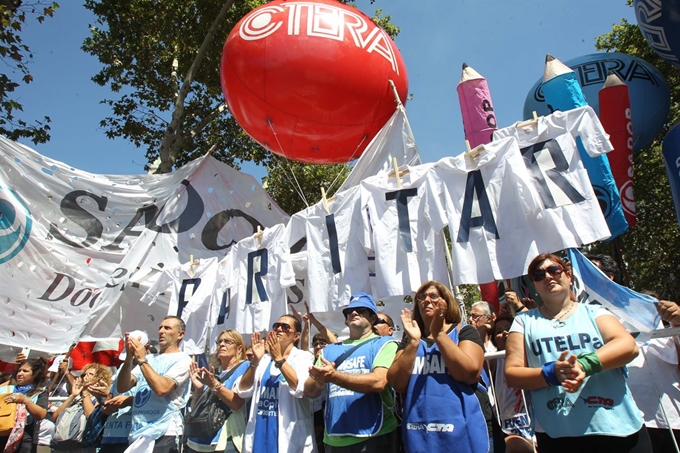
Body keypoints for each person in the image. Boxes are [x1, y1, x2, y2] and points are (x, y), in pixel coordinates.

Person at [504, 253, 652, 452]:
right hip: (559, 434)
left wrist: (583, 365)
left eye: (554, 270)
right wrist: (552, 374)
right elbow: (512, 373)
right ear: (535, 286)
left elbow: (628, 346)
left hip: (618, 429)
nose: (548, 277)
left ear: (568, 276)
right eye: (538, 275)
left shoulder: (595, 312)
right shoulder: (524, 321)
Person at [387, 281, 488, 453]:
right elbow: (397, 382)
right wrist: (412, 343)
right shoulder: (410, 339)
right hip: (420, 433)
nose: (426, 300)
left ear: (446, 302)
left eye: (433, 296)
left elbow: (469, 373)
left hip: (464, 430)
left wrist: (439, 334)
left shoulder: (464, 331)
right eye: (421, 297)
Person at [304, 292, 399, 453]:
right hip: (334, 439)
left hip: (373, 436)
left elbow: (379, 382)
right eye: (349, 311)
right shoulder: (330, 350)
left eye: (361, 310)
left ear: (373, 318)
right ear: (346, 320)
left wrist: (334, 376)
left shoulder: (384, 344)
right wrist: (318, 379)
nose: (354, 313)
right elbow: (310, 391)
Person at [236, 315, 316, 453]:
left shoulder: (304, 357)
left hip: (289, 437)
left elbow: (300, 387)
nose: (279, 329)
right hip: (260, 433)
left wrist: (279, 358)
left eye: (285, 327)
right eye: (276, 326)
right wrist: (255, 361)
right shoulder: (264, 359)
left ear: (296, 336)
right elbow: (243, 389)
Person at [116, 315, 192, 453]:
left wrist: (141, 359)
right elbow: (122, 387)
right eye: (160, 328)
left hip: (164, 432)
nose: (161, 331)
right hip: (139, 432)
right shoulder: (150, 359)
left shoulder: (184, 360)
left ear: (180, 334)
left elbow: (162, 389)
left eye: (167, 328)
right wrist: (128, 359)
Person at [186, 329, 249, 453]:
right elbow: (197, 409)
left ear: (239, 348)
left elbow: (237, 403)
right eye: (219, 341)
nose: (221, 344)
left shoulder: (245, 367)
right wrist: (198, 389)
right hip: (200, 441)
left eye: (227, 341)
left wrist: (214, 385)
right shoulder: (214, 373)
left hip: (225, 440)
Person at [489, 315, 534, 453]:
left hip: (534, 422)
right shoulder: (493, 359)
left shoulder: (530, 354)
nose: (504, 333)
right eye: (498, 331)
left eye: (509, 329)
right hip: (509, 427)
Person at [50, 363, 113, 452]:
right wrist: (72, 395)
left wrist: (85, 392)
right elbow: (55, 417)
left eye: (90, 374)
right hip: (61, 447)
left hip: (82, 447)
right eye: (84, 374)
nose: (85, 377)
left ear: (100, 378)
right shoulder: (76, 397)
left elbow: (91, 417)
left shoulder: (99, 398)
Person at [0, 357, 49, 453]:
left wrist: (24, 400)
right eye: (19, 370)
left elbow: (41, 414)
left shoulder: (39, 392)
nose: (20, 374)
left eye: (25, 371)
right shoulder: (6, 389)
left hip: (24, 441)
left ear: (35, 374)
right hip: (2, 436)